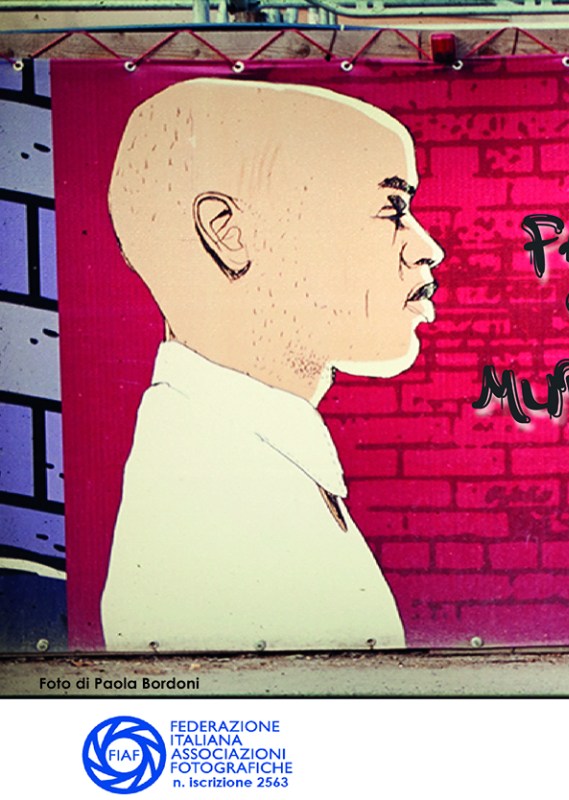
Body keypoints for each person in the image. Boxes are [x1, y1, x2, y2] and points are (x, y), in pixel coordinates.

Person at [101, 79, 444, 652]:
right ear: (229, 233)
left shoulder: (236, 456)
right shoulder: (214, 500)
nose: (427, 247)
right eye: (392, 209)